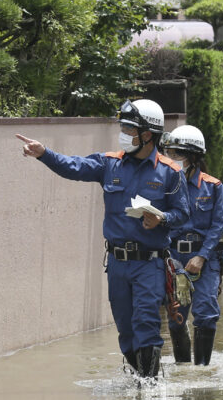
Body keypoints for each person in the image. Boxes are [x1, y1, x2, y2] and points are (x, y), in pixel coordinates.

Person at [16, 99, 189, 378]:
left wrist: (162, 219)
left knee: (146, 324)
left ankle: (149, 392)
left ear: (148, 134)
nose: (123, 133)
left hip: (150, 263)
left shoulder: (170, 172)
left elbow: (183, 213)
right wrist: (44, 154)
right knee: (126, 329)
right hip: (118, 263)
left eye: (129, 128)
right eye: (122, 126)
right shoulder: (109, 164)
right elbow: (74, 166)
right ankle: (138, 382)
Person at [161, 125, 223, 366]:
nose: (172, 159)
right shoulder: (165, 185)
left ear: (193, 156)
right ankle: (182, 368)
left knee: (206, 313)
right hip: (174, 256)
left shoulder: (213, 186)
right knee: (176, 317)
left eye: (177, 154)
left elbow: (218, 225)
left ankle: (202, 372)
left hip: (205, 258)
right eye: (170, 153)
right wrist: (170, 259)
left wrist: (201, 257)